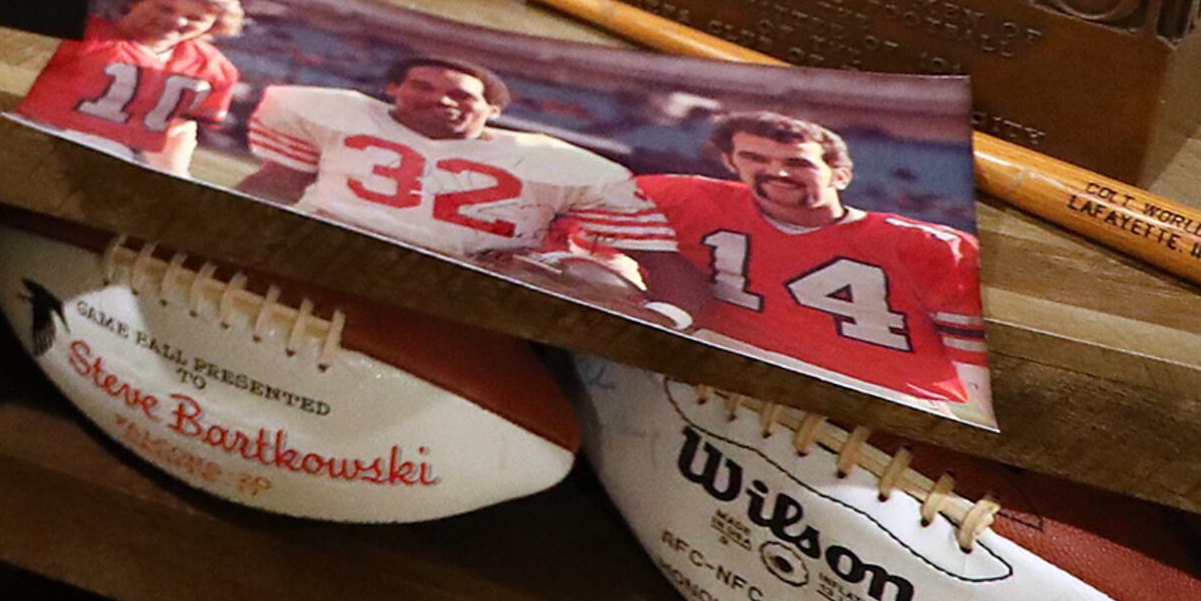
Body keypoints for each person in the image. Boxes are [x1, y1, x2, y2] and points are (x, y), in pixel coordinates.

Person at [612, 115, 987, 403]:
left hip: (887, 404)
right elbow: (589, 251)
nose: (777, 171)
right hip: (715, 373)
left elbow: (981, 382)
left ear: (840, 176)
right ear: (731, 162)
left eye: (799, 163)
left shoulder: (936, 249)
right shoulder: (677, 198)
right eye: (754, 157)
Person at [241, 62, 674, 276]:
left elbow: (656, 262)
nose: (443, 100)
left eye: (463, 96)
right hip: (329, 253)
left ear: (493, 109)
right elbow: (276, 184)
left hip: (468, 281)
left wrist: (671, 316)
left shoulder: (554, 162)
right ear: (392, 89)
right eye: (422, 86)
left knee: (599, 279)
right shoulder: (336, 112)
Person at [10, 0, 247, 175]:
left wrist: (174, 176)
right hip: (38, 132)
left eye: (195, 18)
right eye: (165, 8)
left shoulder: (214, 67)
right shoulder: (83, 33)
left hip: (116, 154)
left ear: (215, 26)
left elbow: (181, 129)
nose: (177, 21)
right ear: (133, 1)